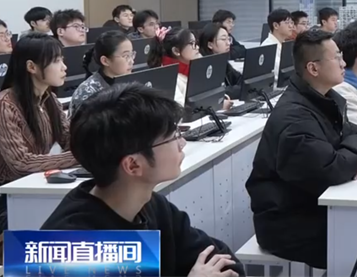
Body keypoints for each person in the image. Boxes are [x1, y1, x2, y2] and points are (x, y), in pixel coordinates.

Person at [42, 84, 244, 277]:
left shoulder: (151, 205)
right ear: (133, 165)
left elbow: (227, 264)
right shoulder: (68, 245)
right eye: (173, 136)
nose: (182, 143)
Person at [246, 30, 357, 270]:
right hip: (288, 225)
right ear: (313, 68)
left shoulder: (324, 98)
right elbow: (331, 169)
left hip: (310, 207)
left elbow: (356, 134)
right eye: (336, 58)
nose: (343, 63)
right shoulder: (294, 117)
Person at [0, 33, 79, 257]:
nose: (64, 67)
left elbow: (70, 140)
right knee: (71, 218)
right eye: (56, 61)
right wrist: (80, 156)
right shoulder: (4, 105)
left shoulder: (49, 100)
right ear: (31, 67)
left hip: (27, 192)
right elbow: (21, 163)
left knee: (82, 211)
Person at [70, 30, 134, 116]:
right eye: (126, 56)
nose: (131, 61)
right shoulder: (88, 93)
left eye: (132, 55)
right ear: (105, 61)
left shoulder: (131, 83)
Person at [147, 27, 200, 104]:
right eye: (192, 44)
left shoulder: (195, 65)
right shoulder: (168, 77)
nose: (197, 47)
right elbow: (179, 106)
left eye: (196, 43)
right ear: (176, 51)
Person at [199, 23, 243, 100]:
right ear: (210, 45)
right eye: (223, 39)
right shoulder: (203, 67)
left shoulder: (223, 62)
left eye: (228, 39)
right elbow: (214, 93)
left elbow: (242, 81)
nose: (228, 43)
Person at [261, 8, 294, 88]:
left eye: (291, 22)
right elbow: (277, 74)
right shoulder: (268, 46)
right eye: (287, 23)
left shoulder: (285, 44)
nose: (291, 26)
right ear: (276, 25)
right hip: (277, 89)